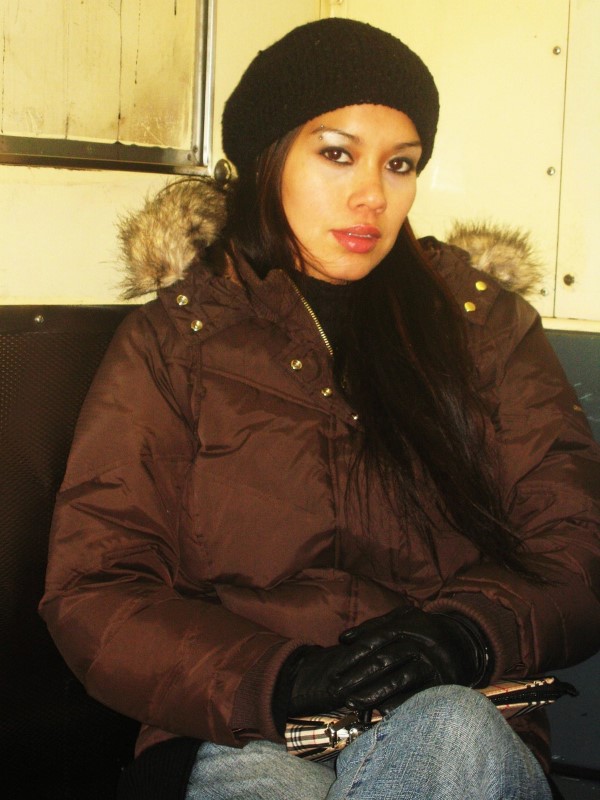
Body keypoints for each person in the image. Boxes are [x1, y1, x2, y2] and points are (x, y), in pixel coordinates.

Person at [39, 17, 599, 800]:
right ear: (267, 157)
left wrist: (467, 634)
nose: (372, 195)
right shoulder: (175, 343)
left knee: (446, 728)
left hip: (460, 722)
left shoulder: (482, 328)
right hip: (249, 729)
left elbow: (576, 544)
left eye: (400, 164)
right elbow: (97, 588)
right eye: (337, 154)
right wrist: (279, 677)